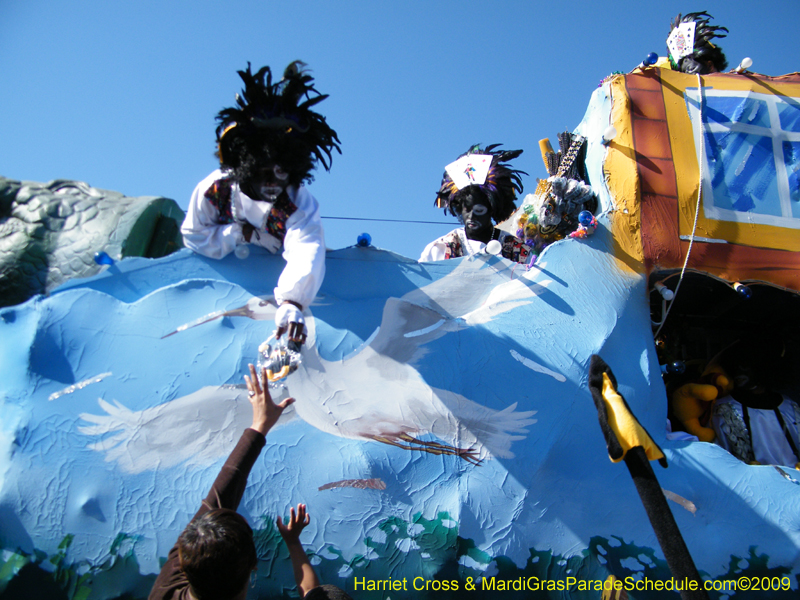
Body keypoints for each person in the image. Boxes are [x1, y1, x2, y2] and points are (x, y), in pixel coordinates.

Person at [148, 364, 351, 600]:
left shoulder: (166, 589)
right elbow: (218, 498)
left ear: (183, 562)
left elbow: (218, 499)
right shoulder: (168, 583)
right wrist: (294, 543)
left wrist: (258, 428)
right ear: (254, 568)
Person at [181, 62, 340, 344]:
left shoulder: (298, 202)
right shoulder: (215, 191)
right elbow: (194, 235)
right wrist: (241, 234)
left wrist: (292, 302)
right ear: (246, 166)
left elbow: (308, 248)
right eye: (263, 171)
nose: (272, 182)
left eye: (281, 171)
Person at [419, 144, 528, 263]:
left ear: (492, 209)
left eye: (479, 210)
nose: (471, 216)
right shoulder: (440, 249)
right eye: (467, 209)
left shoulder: (517, 250)